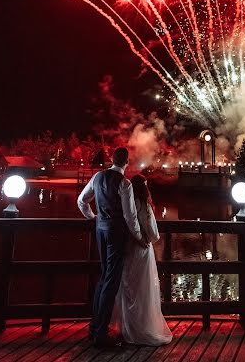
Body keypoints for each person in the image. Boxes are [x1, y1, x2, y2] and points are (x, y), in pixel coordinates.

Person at [77, 146, 147, 347]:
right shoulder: (124, 183)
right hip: (116, 233)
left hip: (101, 230)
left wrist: (93, 217)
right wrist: (140, 237)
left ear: (112, 159)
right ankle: (100, 334)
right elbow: (130, 216)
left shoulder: (98, 177)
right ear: (127, 162)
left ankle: (94, 327)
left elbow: (82, 201)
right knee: (111, 281)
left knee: (104, 278)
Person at [111, 174, 173, 346]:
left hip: (127, 249)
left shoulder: (126, 204)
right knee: (143, 289)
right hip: (141, 249)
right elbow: (153, 234)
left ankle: (127, 328)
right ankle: (142, 328)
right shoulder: (144, 206)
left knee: (128, 288)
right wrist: (150, 237)